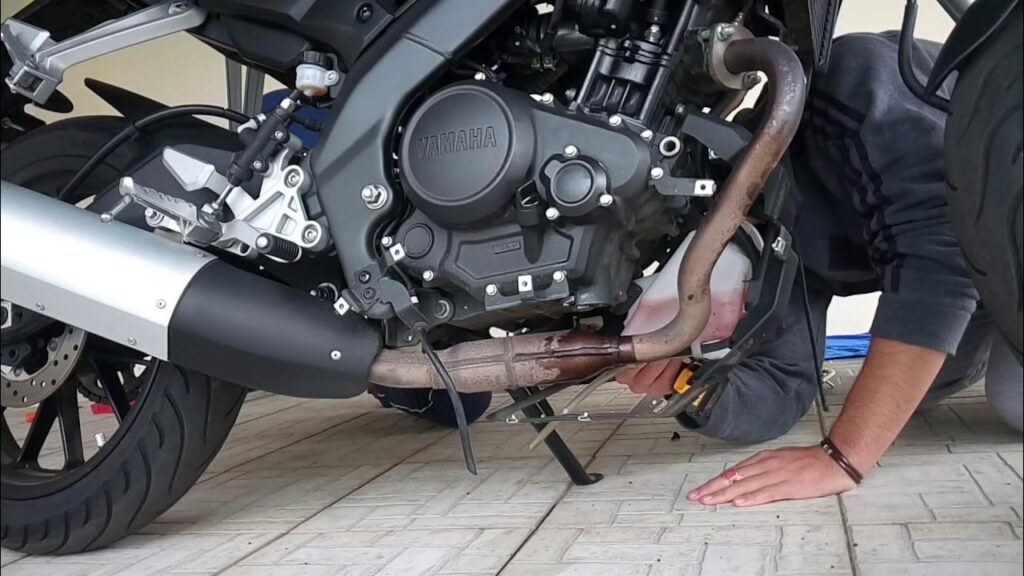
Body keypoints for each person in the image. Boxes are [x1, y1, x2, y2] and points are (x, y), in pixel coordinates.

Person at [618, 31, 1024, 508]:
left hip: (1005, 211)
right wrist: (688, 385)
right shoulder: (770, 254)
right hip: (984, 260)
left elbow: (940, 259)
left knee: (1011, 400)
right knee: (915, 388)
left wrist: (842, 457)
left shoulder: (854, 84)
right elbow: (783, 385)